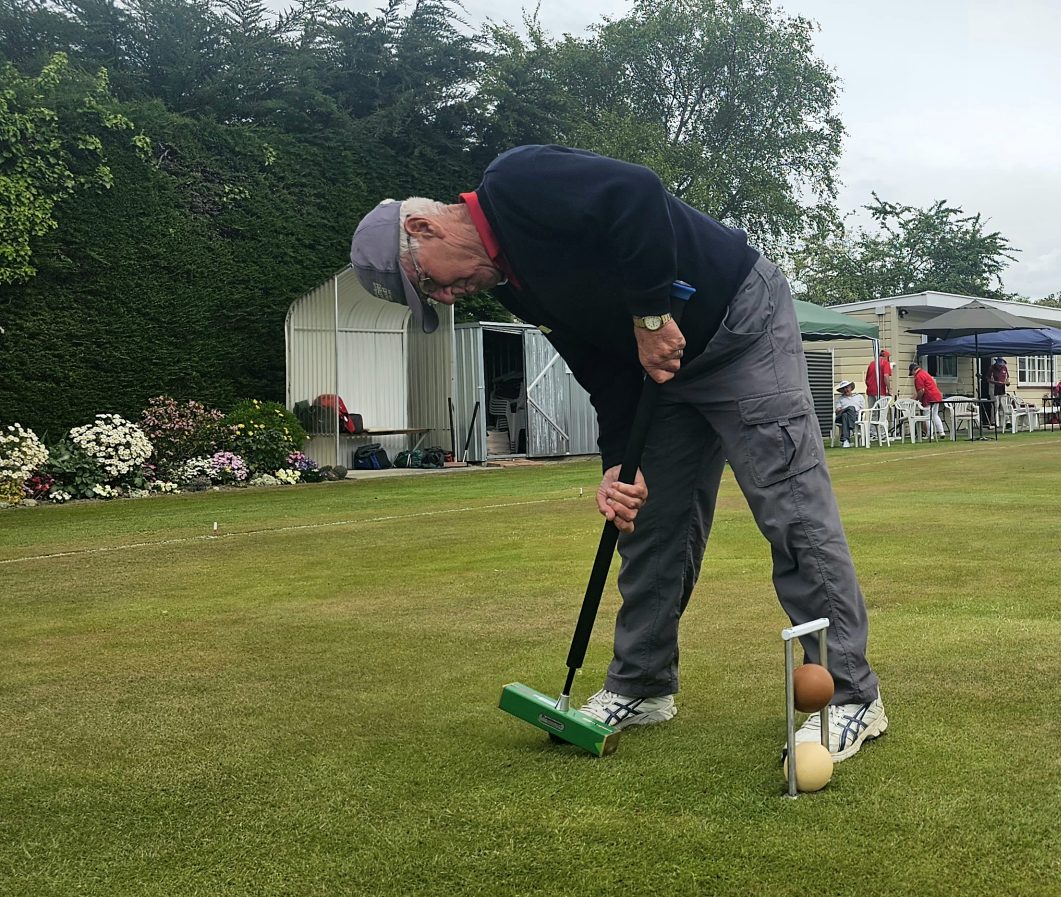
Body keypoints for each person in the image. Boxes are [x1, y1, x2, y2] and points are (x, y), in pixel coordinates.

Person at [349, 145, 886, 761]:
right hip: (664, 368)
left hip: (740, 327)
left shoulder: (516, 182)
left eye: (427, 283)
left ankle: (851, 694)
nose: (446, 297)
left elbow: (636, 193)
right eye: (430, 298)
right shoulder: (517, 290)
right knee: (648, 520)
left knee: (790, 508)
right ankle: (642, 686)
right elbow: (601, 368)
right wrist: (617, 462)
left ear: (425, 227)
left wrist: (650, 317)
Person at [910, 362, 947, 438]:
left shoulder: (918, 376)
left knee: (927, 416)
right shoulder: (925, 373)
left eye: (912, 373)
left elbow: (921, 391)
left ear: (913, 370)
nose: (913, 375)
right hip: (936, 396)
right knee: (935, 415)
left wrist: (917, 400)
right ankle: (941, 432)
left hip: (929, 397)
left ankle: (930, 435)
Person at [834, 380, 864, 448]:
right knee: (851, 408)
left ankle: (845, 441)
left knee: (845, 415)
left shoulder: (859, 396)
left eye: (847, 387)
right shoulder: (840, 399)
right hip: (840, 417)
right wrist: (847, 409)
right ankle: (852, 429)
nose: (845, 390)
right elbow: (837, 411)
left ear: (850, 388)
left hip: (856, 416)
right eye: (843, 388)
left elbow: (862, 409)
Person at [989, 357, 1011, 430]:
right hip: (994, 389)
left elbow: (1007, 378)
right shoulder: (992, 368)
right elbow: (988, 379)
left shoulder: (1004, 368)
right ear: (996, 363)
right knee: (995, 405)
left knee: (1004, 405)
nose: (1000, 366)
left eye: (1001, 364)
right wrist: (996, 382)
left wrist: (1007, 383)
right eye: (999, 364)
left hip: (1002, 389)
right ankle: (993, 422)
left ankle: (1007, 422)